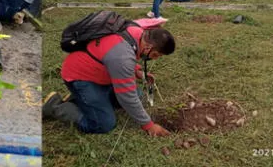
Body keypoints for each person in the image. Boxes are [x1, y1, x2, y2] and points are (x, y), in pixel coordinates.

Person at [42, 18, 175, 136]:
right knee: (103, 123)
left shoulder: (137, 31)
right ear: (148, 47)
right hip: (80, 77)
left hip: (100, 73)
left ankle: (81, 100)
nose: (154, 59)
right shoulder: (123, 57)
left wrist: (138, 72)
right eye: (156, 55)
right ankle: (55, 106)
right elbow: (127, 96)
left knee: (138, 96)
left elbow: (113, 54)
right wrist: (149, 125)